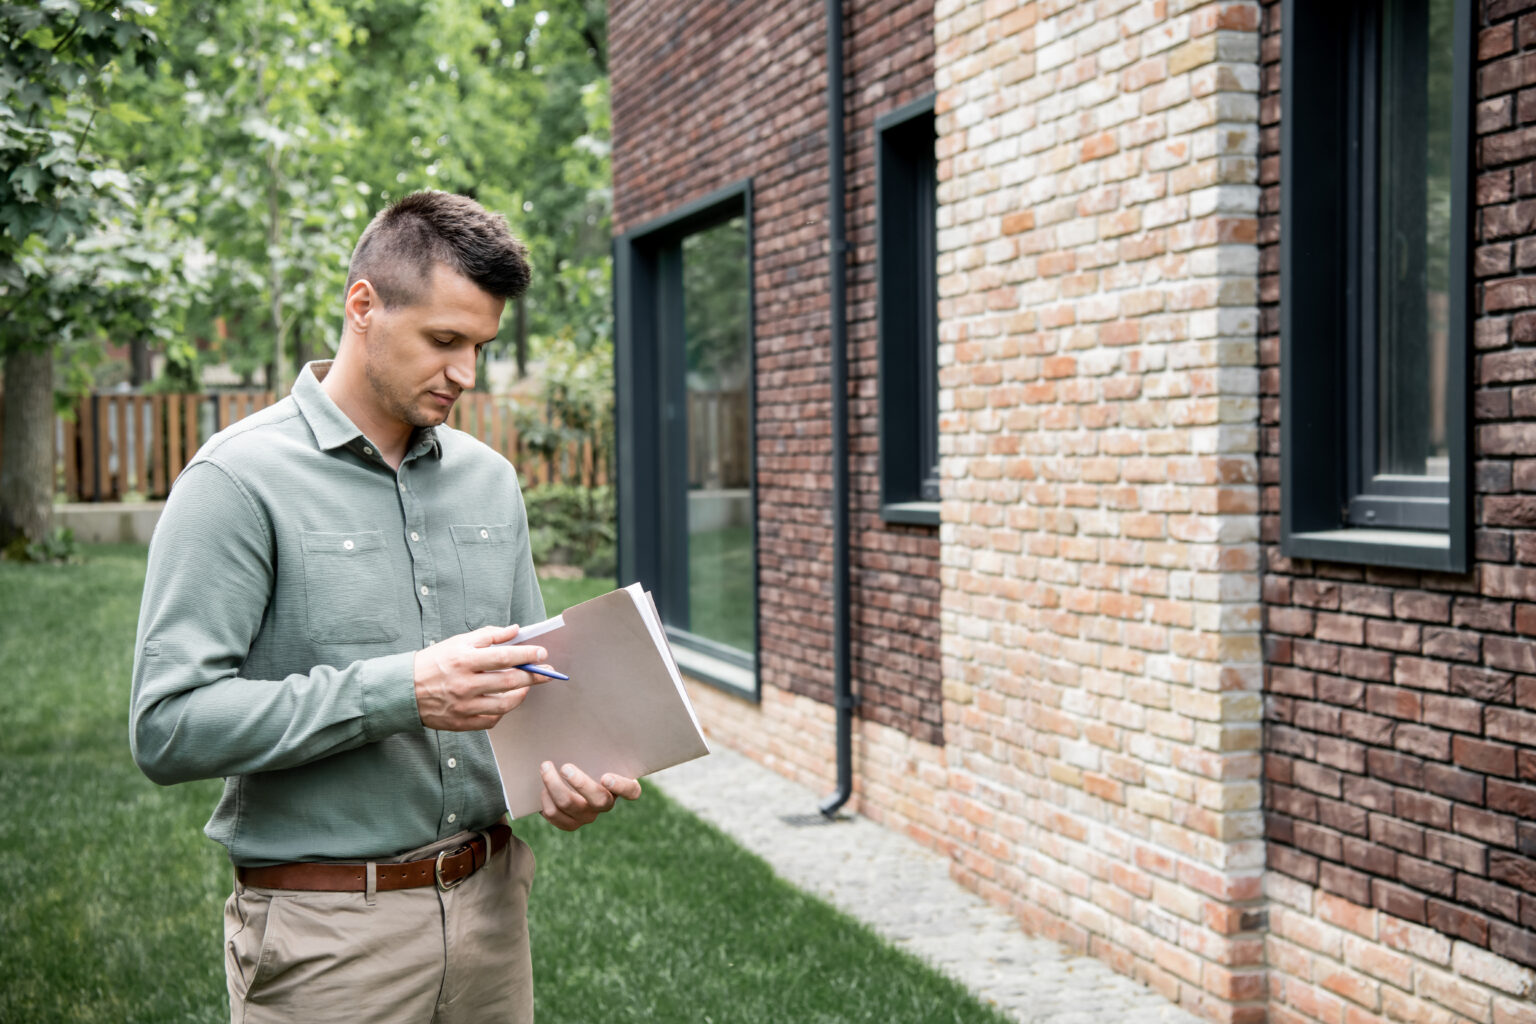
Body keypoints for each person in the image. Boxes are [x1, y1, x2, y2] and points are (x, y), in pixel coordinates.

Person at [129, 190, 640, 1023]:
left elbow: (525, 691)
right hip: (327, 940)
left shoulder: (491, 480)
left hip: (492, 923)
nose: (466, 375)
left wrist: (563, 780)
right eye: (444, 340)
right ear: (362, 306)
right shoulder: (235, 481)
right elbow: (168, 726)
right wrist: (398, 692)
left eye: (480, 346)